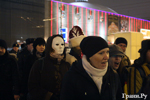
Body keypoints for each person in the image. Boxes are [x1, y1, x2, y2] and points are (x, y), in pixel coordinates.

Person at [28, 35, 70, 100]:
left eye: (62, 44)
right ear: (50, 46)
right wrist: (48, 96)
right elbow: (32, 85)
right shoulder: (40, 64)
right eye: (57, 44)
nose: (60, 47)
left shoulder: (66, 65)